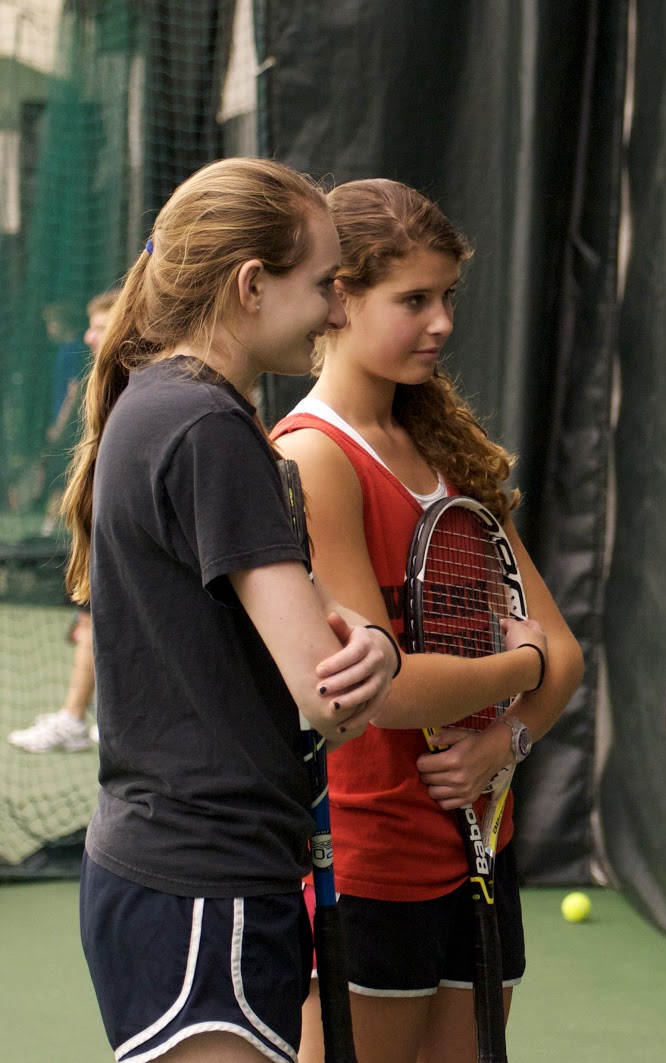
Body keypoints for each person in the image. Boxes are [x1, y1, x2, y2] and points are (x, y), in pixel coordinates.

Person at [60, 157, 401, 1063]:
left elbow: (327, 622)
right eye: (325, 284)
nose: (338, 311)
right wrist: (372, 656)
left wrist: (371, 644)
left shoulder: (164, 404)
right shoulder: (210, 428)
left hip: (179, 874)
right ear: (252, 284)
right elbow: (330, 693)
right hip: (203, 888)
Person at [272, 178, 583, 1063]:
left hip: (483, 840)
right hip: (372, 862)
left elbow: (564, 650)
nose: (441, 321)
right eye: (413, 299)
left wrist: (506, 743)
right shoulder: (312, 458)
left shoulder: (448, 449)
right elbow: (388, 686)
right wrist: (516, 676)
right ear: (340, 297)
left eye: (447, 295)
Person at [10, 290, 117, 753]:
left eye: (101, 324)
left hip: (123, 538)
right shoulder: (103, 380)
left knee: (98, 624)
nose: (90, 336)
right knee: (95, 623)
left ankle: (79, 718)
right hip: (107, 534)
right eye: (89, 325)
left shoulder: (143, 386)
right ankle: (91, 718)